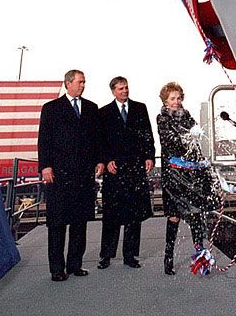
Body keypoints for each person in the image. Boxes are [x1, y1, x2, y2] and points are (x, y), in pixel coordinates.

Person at [38, 69, 104, 282]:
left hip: (83, 175)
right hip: (58, 174)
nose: (83, 85)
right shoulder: (51, 108)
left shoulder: (92, 108)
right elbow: (44, 140)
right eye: (79, 82)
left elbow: (96, 139)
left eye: (84, 82)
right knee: (57, 224)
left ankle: (75, 264)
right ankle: (57, 269)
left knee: (79, 222)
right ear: (68, 83)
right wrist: (45, 166)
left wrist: (100, 160)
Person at [157, 82, 219, 275]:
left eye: (179, 98)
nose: (177, 102)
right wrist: (188, 137)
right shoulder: (162, 118)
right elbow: (170, 141)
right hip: (173, 174)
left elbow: (197, 141)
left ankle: (200, 257)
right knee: (174, 216)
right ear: (165, 101)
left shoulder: (188, 116)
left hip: (191, 173)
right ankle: (168, 257)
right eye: (172, 99)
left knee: (195, 213)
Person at [97, 76, 155, 270]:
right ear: (113, 91)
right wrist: (106, 160)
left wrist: (149, 156)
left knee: (134, 215)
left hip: (135, 167)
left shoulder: (140, 108)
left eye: (126, 88)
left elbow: (148, 135)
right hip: (114, 170)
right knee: (111, 215)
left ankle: (130, 256)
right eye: (121, 89)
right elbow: (101, 140)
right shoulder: (103, 112)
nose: (125, 91)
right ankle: (106, 255)